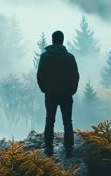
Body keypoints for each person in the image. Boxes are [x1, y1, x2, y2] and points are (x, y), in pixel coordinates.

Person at [37, 30, 80, 158]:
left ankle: (49, 149)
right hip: (66, 95)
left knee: (49, 121)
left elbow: (40, 75)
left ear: (52, 40)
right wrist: (72, 90)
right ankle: (69, 149)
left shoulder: (44, 57)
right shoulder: (69, 57)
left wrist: (44, 89)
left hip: (50, 94)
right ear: (62, 40)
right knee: (67, 122)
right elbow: (75, 76)